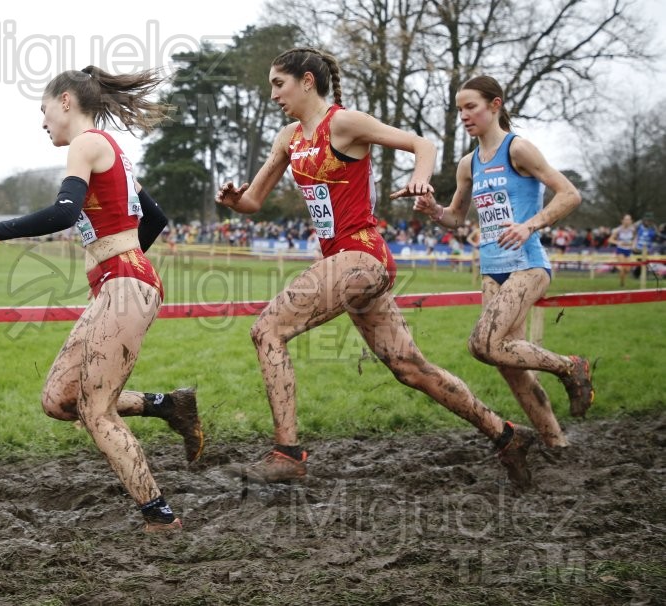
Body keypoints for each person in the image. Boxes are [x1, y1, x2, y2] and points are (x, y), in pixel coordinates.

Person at [216, 48, 536, 489]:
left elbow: (422, 144)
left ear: (307, 81)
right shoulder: (288, 137)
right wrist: (235, 201)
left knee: (267, 331)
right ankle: (506, 435)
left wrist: (422, 177)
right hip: (344, 264)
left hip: (362, 255)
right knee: (410, 368)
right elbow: (254, 201)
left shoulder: (344, 123)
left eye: (278, 84)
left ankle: (288, 453)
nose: (273, 94)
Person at [0, 66, 203, 532]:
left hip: (125, 284)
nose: (42, 121)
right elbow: (157, 218)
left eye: (43, 109)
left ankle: (160, 517)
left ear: (65, 101)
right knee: (59, 399)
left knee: (95, 409)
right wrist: (120, 263)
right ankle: (167, 405)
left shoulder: (85, 144)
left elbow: (65, 212)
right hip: (118, 282)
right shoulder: (113, 153)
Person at [411, 75, 594, 453]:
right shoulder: (468, 163)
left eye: (471, 106)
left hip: (527, 265)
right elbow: (456, 218)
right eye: (459, 108)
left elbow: (570, 194)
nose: (463, 115)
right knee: (508, 364)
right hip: (491, 268)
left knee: (483, 343)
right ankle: (556, 443)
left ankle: (569, 365)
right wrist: (433, 210)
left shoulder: (518, 149)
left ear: (495, 105)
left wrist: (530, 225)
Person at [608, 214, 636, 286]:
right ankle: (622, 283)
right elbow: (610, 240)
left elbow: (635, 238)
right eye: (626, 219)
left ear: (631, 221)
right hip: (620, 250)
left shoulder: (632, 229)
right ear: (622, 221)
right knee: (623, 267)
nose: (627, 221)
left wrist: (633, 244)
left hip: (628, 250)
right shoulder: (618, 230)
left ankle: (617, 267)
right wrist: (619, 242)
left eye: (629, 219)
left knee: (627, 269)